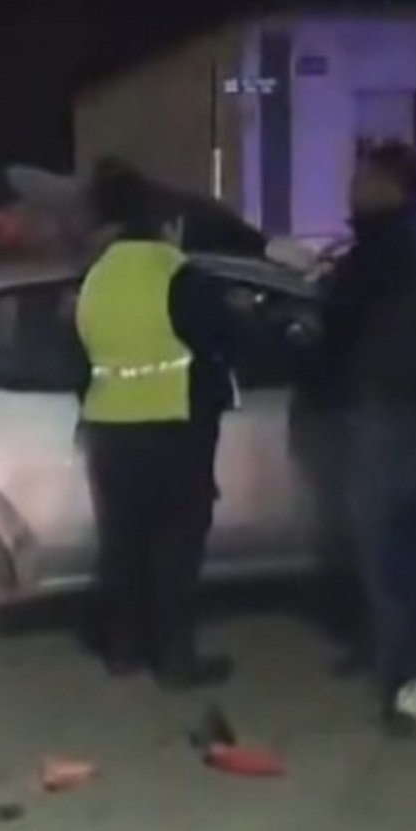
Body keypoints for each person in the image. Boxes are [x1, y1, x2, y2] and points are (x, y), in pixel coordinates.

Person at [74, 158, 239, 688]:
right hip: (172, 423)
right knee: (175, 546)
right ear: (168, 226)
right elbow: (220, 336)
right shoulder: (174, 272)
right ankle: (174, 659)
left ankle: (124, 650)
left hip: (108, 425)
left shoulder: (96, 276)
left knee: (122, 544)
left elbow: (77, 351)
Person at [317, 141, 416, 732]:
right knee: (393, 547)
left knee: (392, 548)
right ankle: (395, 655)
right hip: (402, 409)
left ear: (391, 184)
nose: (353, 189)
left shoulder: (404, 246)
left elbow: (369, 321)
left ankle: (408, 669)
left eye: (363, 179)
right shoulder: (405, 240)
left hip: (400, 414)